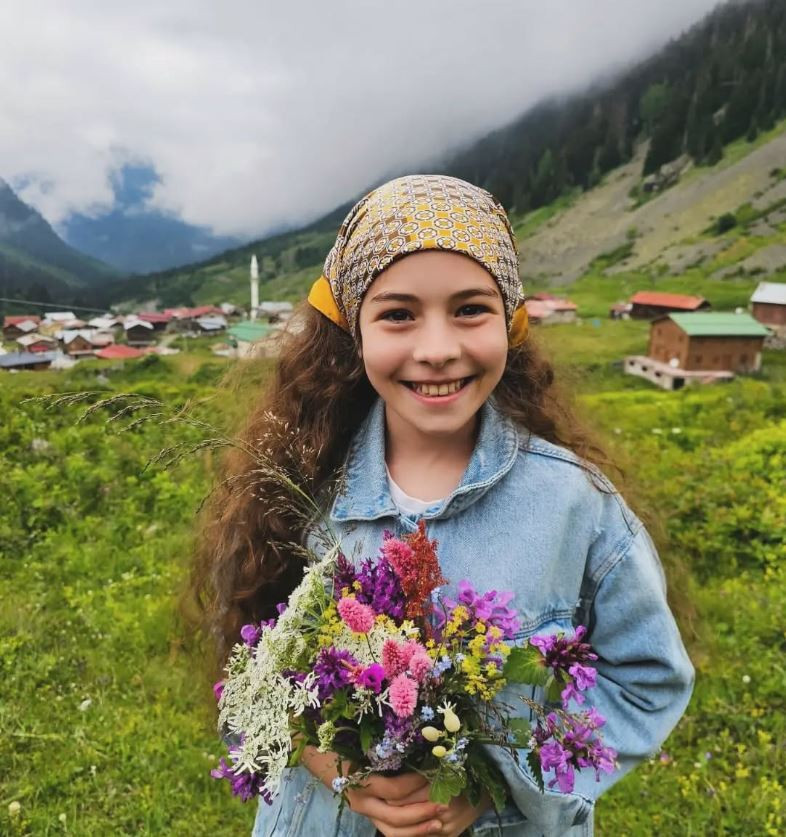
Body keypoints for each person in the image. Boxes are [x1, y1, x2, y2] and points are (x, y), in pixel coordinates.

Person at [190, 174, 694, 836]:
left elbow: (646, 681)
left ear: (510, 322)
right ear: (354, 330)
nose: (436, 349)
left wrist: (493, 784)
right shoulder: (299, 485)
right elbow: (252, 665)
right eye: (398, 313)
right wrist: (329, 762)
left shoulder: (576, 504)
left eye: (470, 309)